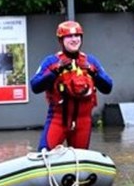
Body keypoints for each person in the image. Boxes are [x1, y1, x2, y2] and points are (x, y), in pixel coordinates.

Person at [30, 20, 113, 151]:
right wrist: (56, 71)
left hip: (83, 121)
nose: (74, 39)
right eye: (69, 36)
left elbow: (108, 87)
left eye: (77, 36)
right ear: (61, 40)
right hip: (58, 119)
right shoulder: (52, 61)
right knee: (44, 154)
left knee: (80, 160)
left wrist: (93, 72)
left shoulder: (90, 61)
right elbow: (35, 86)